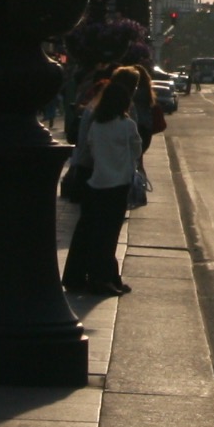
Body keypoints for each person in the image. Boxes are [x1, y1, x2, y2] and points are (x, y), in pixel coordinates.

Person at [62, 66, 144, 296]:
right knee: (105, 232)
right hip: (108, 179)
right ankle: (101, 277)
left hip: (93, 177)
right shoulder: (124, 123)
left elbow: (86, 144)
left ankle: (83, 276)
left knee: (89, 229)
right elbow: (136, 148)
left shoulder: (95, 117)